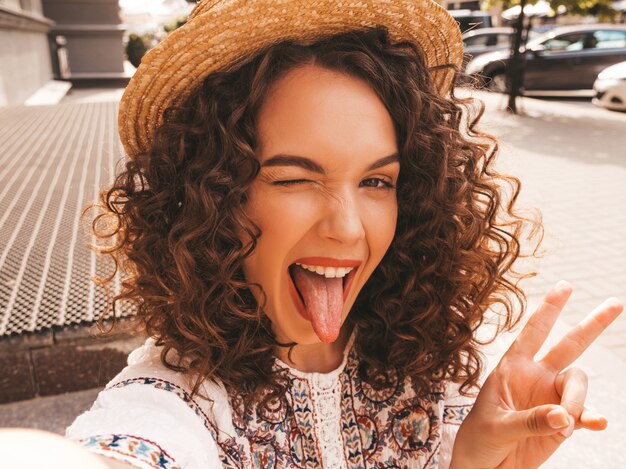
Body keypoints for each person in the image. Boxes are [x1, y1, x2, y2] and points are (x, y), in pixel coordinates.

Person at [4, 0, 621, 468]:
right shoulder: (171, 407)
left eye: (378, 183)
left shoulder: (434, 377)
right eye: (296, 180)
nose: (349, 227)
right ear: (213, 196)